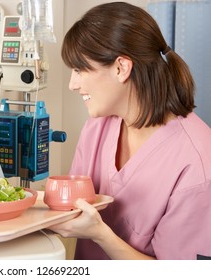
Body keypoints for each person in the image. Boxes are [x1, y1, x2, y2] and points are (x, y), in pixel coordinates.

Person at [48, 2, 211, 260]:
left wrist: (101, 233)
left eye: (80, 70)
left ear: (121, 68)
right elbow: (71, 207)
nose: (72, 84)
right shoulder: (97, 128)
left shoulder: (197, 162)